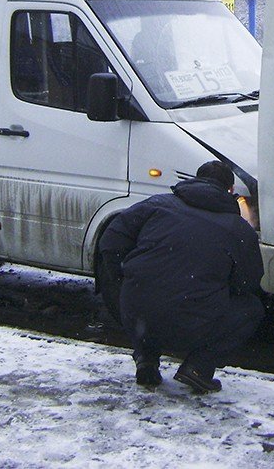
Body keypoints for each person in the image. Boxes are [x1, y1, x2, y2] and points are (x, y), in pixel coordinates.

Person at [98, 160, 264, 393]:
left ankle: (146, 358)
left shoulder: (156, 204)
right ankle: (198, 368)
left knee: (146, 295)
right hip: (193, 324)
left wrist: (124, 279)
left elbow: (110, 242)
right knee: (250, 308)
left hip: (136, 315)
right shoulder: (238, 229)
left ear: (194, 180)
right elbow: (249, 282)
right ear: (231, 191)